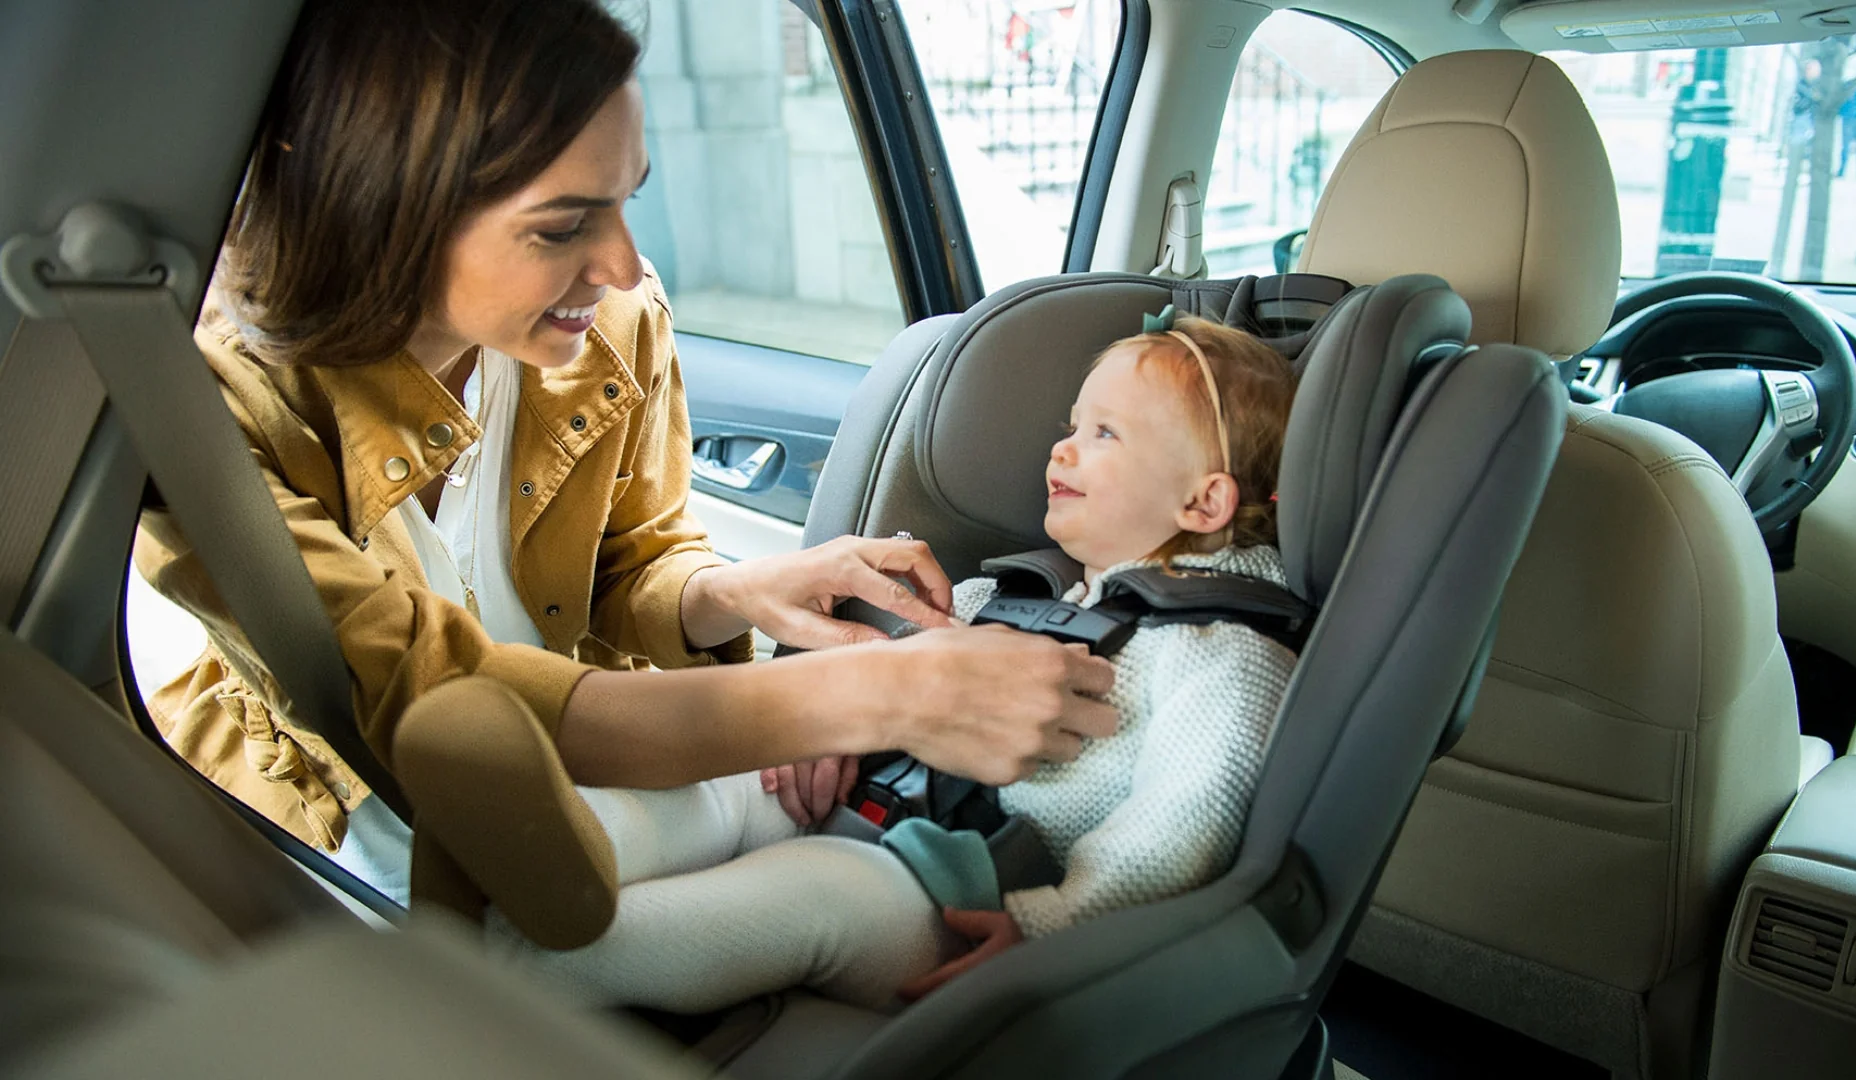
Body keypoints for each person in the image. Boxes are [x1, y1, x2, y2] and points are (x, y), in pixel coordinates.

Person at [134, 0, 1115, 912]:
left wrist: (734, 592)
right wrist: (888, 694)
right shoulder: (205, 409)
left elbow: (634, 556)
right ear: (374, 206)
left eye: (624, 201)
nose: (623, 267)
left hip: (594, 774)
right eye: (563, 225)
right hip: (354, 819)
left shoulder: (616, 329)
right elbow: (424, 699)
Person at [488, 312, 1303, 1012]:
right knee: (727, 785)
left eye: (1103, 434)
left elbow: (1186, 822)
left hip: (955, 890)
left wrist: (1056, 927)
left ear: (1204, 501)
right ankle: (539, 862)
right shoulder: (1005, 594)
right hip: (861, 799)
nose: (1061, 452)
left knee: (805, 896)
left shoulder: (1219, 650)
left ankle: (537, 970)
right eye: (1070, 426)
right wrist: (830, 720)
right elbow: (890, 686)